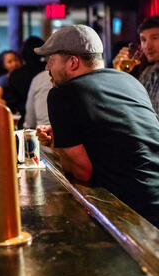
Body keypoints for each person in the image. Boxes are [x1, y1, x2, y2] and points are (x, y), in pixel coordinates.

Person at [35, 25, 159, 228]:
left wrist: (61, 147)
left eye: (52, 60)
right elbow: (114, 136)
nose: (47, 67)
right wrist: (62, 137)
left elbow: (82, 172)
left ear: (73, 62)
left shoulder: (62, 94)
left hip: (131, 211)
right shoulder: (130, 81)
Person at [113, 15, 159, 114]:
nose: (147, 46)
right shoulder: (148, 72)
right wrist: (120, 74)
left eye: (155, 38)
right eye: (143, 40)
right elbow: (130, 107)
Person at [6, 37, 46, 126]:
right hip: (48, 121)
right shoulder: (49, 72)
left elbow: (11, 103)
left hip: (23, 121)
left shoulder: (16, 75)